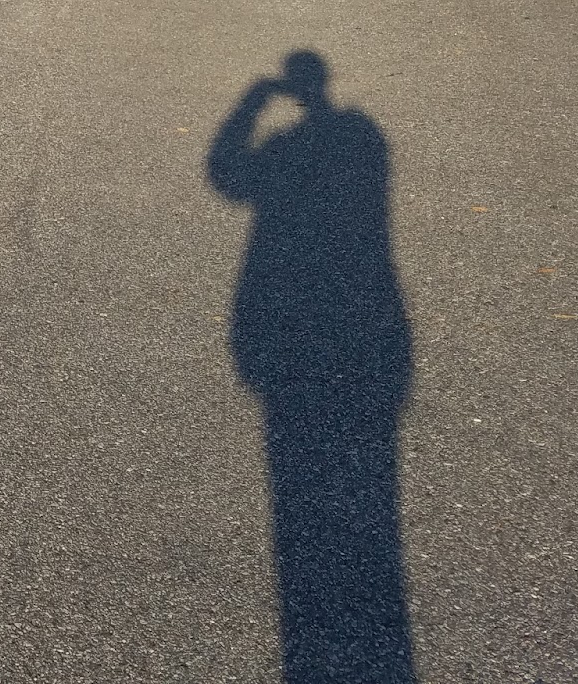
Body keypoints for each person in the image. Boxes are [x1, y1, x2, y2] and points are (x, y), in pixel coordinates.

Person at [207, 51, 416, 684]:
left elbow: (227, 174)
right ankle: (360, 624)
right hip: (369, 320)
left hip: (291, 330)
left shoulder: (294, 148)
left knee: (307, 472)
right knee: (360, 473)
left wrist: (254, 99)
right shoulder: (364, 138)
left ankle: (337, 627)